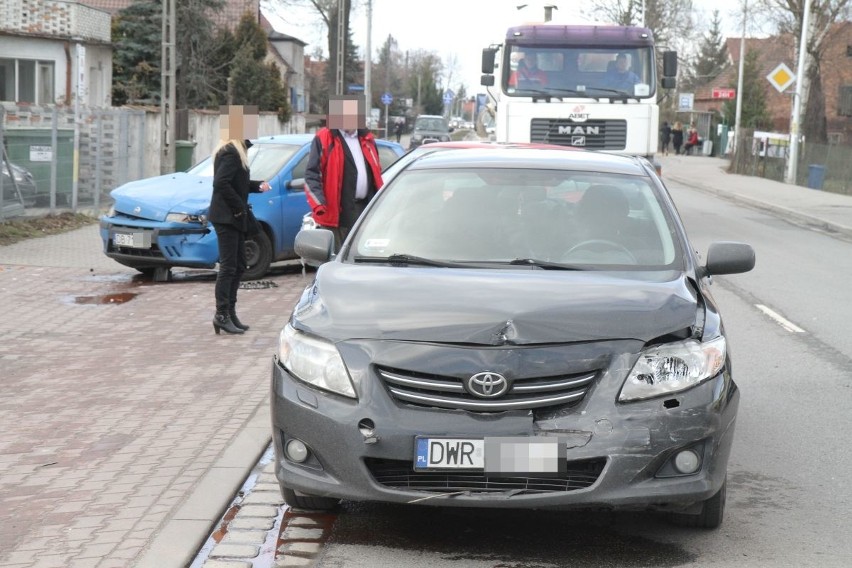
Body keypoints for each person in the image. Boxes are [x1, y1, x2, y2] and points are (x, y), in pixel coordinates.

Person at [305, 94, 384, 251]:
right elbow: (311, 175)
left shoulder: (367, 139)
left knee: (362, 261)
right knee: (336, 262)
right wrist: (320, 204)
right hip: (335, 216)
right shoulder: (325, 138)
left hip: (365, 211)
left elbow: (376, 172)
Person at [209, 137, 271, 335]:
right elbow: (221, 183)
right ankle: (221, 315)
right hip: (227, 217)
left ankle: (230, 312)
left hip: (233, 217)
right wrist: (238, 208)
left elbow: (237, 182)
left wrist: (256, 186)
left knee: (239, 265)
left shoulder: (236, 150)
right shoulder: (231, 151)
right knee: (228, 267)